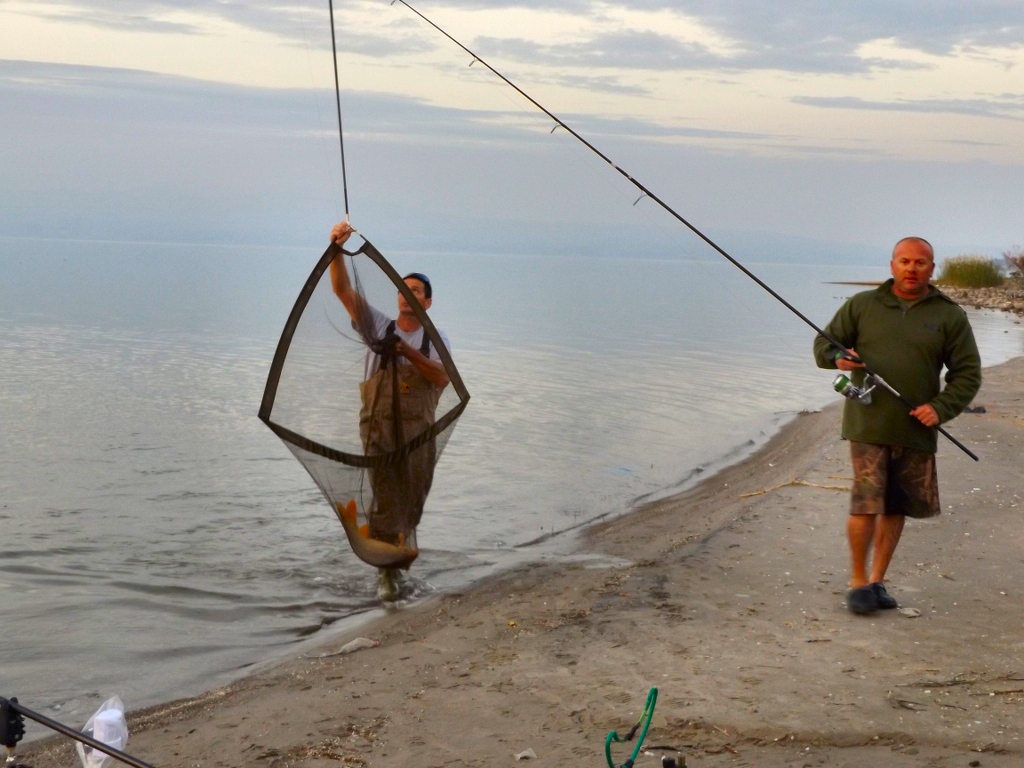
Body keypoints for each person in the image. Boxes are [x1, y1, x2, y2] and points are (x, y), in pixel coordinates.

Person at [813, 236, 981, 615]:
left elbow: (967, 375)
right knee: (865, 503)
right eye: (904, 261)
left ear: (931, 268)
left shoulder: (950, 315)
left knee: (896, 507)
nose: (911, 268)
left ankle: (877, 580)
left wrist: (940, 408)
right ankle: (857, 583)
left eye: (920, 262)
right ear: (891, 266)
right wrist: (841, 358)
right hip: (867, 423)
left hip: (916, 429)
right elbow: (823, 347)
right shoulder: (862, 305)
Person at [328, 221, 451, 598]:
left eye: (415, 291)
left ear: (427, 302)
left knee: (410, 496)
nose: (407, 295)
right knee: (383, 494)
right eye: (403, 289)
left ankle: (395, 561)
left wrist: (409, 352)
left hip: (417, 434)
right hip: (377, 427)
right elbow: (342, 289)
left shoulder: (435, 338)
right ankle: (387, 575)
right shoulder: (378, 325)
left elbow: (444, 379)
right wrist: (335, 248)